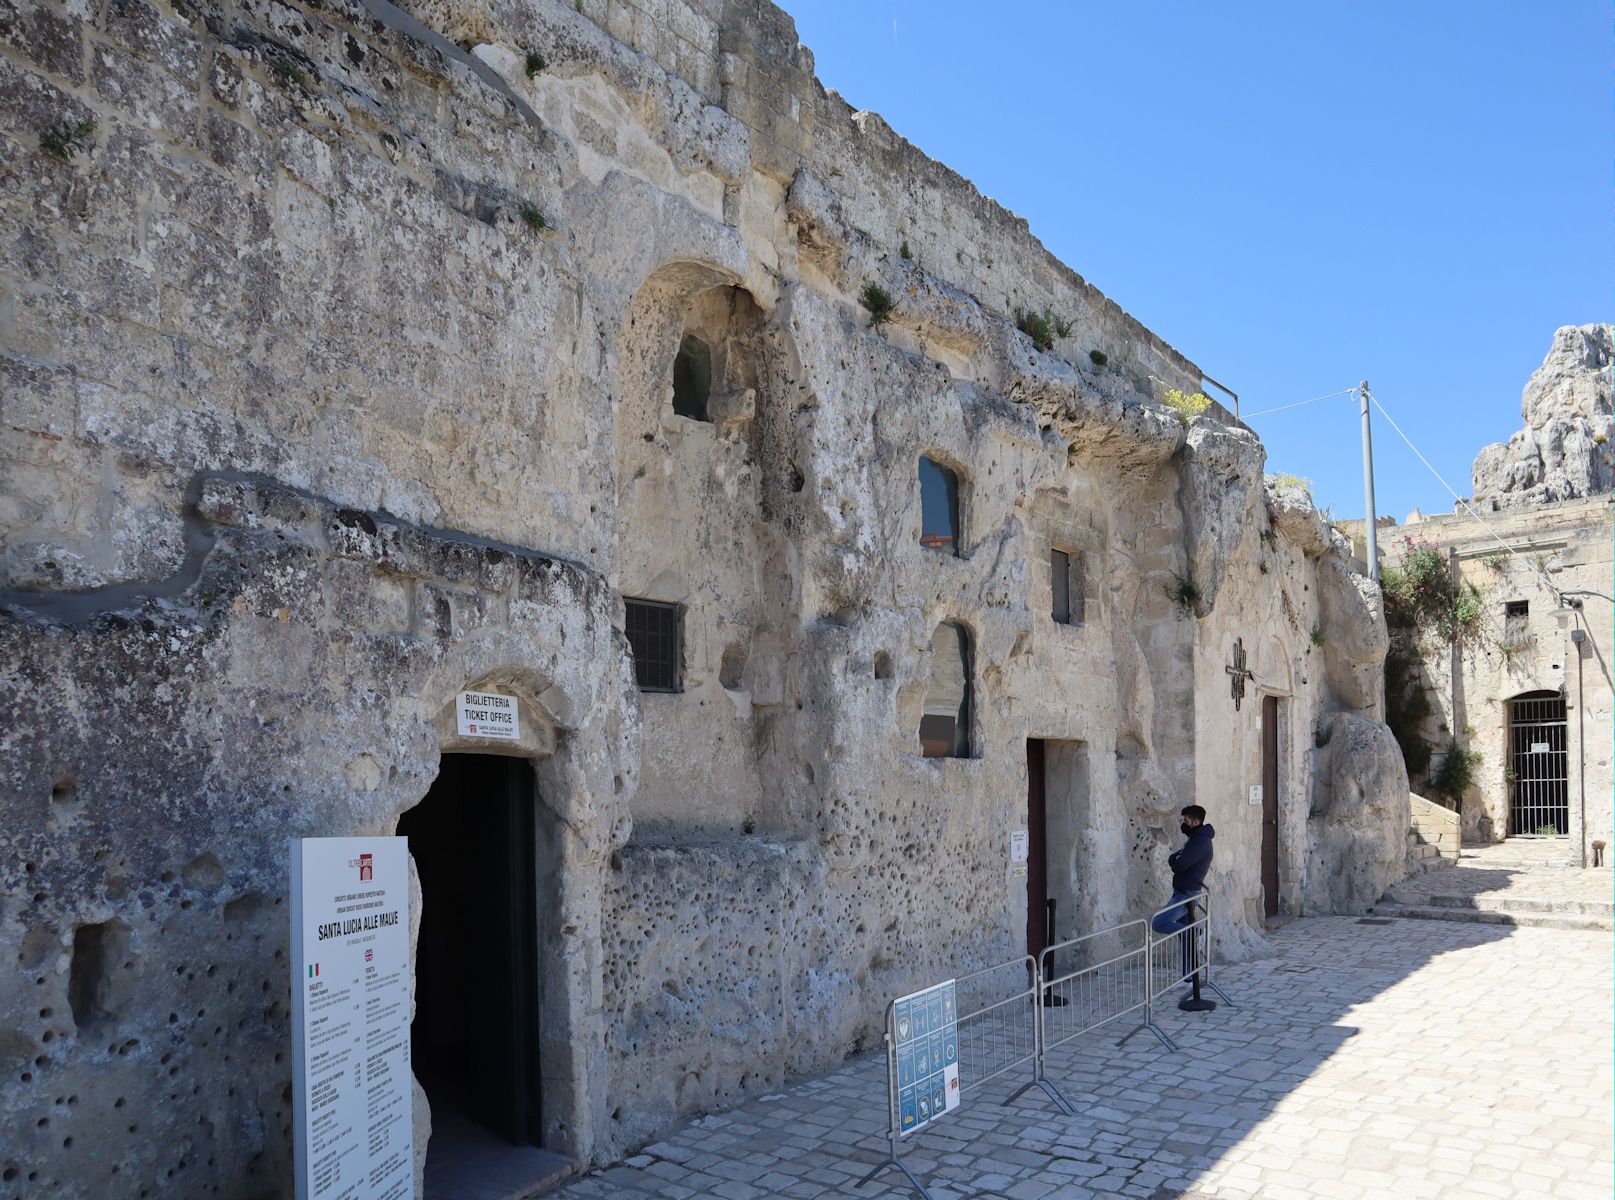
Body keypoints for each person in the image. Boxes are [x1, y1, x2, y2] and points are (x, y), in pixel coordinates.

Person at [1151, 805, 1214, 937]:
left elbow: (1179, 865)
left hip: (1187, 896)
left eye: (1186, 821)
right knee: (1185, 939)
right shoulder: (1195, 839)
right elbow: (1175, 857)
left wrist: (1176, 861)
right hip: (1182, 892)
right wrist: (1175, 860)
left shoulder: (1201, 841)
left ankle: (1198, 933)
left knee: (1158, 923)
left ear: (1196, 822)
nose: (1183, 823)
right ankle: (1191, 947)